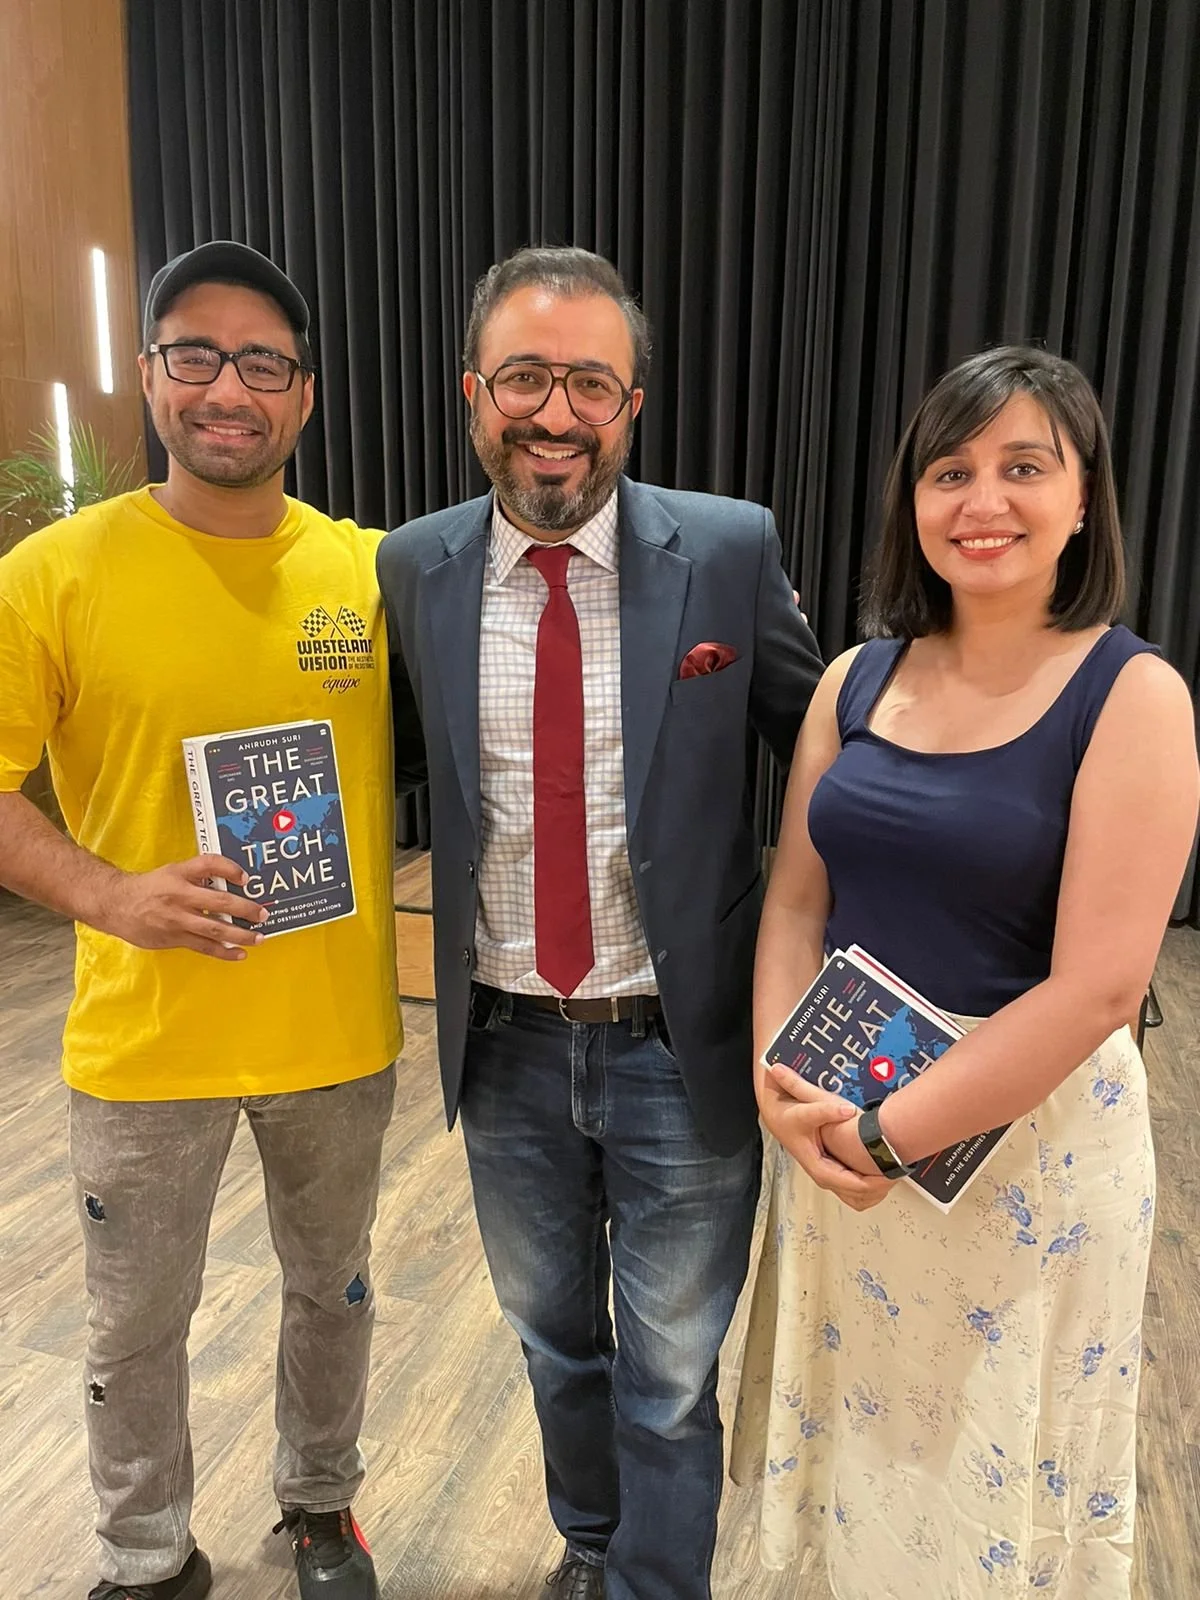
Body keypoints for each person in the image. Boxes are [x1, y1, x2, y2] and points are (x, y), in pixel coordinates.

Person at [376, 245, 823, 1600]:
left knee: (672, 1373)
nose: (553, 413)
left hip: (680, 1048)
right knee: (553, 1342)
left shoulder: (729, 551)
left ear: (632, 404)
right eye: (524, 376)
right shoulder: (413, 570)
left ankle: (656, 1587)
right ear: (472, 393)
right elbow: (379, 768)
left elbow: (825, 749)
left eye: (587, 381)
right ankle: (590, 1549)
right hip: (503, 1050)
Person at [729, 345, 1199, 1600]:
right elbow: (795, 899)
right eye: (951, 470)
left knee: (991, 1479)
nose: (981, 500)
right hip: (843, 1128)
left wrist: (887, 1137)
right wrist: (786, 1079)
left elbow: (1101, 986)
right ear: (913, 501)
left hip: (1019, 1154)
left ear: (1084, 497)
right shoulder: (857, 678)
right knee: (866, 1457)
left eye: (1023, 467)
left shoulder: (1133, 693)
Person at [0, 242, 399, 1600]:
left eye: (261, 363)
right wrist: (111, 895)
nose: (227, 388)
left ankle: (321, 1511)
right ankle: (143, 1553)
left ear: (303, 396)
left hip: (335, 1034)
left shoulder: (372, 574)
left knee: (331, 1293)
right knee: (133, 1324)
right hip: (141, 1043)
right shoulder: (52, 575)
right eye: (195, 355)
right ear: (150, 374)